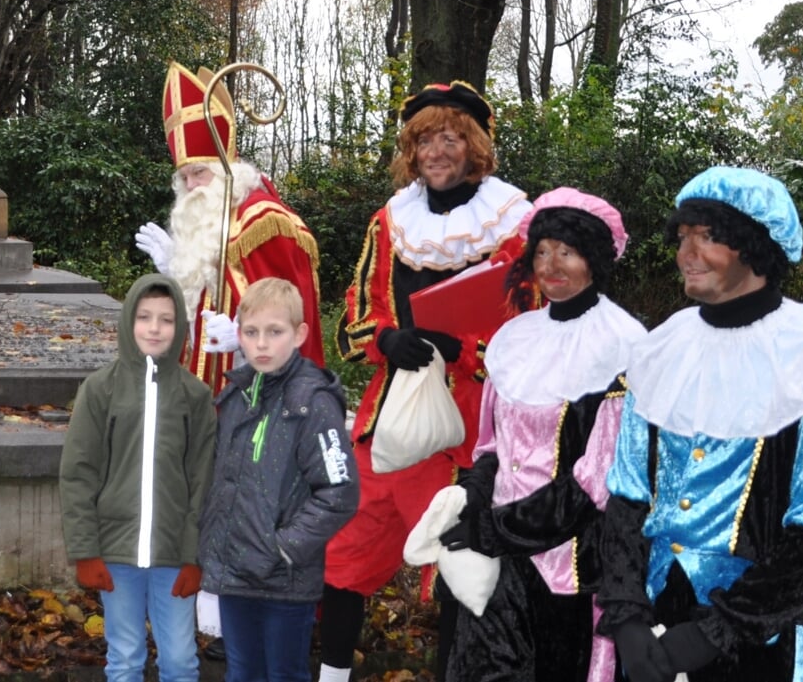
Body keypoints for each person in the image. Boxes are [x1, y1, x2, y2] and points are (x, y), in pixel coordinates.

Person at [597, 168, 803, 682]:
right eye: (683, 238)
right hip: (659, 613)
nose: (687, 253)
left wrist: (716, 632)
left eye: (707, 238)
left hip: (766, 632)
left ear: (753, 246)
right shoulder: (659, 349)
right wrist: (628, 613)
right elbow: (627, 497)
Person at [320, 82, 533, 682]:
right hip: (390, 421)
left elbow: (535, 332)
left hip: (473, 431)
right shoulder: (391, 220)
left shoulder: (515, 223)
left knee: (462, 573)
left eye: (449, 138)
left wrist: (463, 350)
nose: (435, 151)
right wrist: (386, 339)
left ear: (474, 148)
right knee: (346, 555)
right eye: (422, 141)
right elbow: (356, 316)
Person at [436, 189, 646, 682]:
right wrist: (471, 497)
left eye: (567, 252)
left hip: (570, 570)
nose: (551, 265)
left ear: (594, 260)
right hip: (498, 566)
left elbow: (595, 482)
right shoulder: (515, 337)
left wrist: (494, 531)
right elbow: (493, 447)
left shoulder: (623, 344)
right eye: (543, 250)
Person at [198, 278, 359, 682]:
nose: (262, 345)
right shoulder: (235, 398)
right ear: (239, 336)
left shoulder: (312, 403)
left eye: (275, 332)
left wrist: (285, 547)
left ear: (300, 334)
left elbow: (339, 491)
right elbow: (223, 482)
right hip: (236, 574)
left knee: (283, 674)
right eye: (251, 333)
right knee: (242, 672)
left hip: (284, 579)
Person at [61, 273, 218, 682]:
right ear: (128, 320)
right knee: (125, 658)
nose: (154, 328)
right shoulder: (100, 389)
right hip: (115, 553)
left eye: (166, 320)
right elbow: (78, 473)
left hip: (173, 554)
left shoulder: (195, 396)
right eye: (144, 317)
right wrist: (85, 550)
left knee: (181, 661)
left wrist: (194, 556)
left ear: (180, 327)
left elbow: (203, 480)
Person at [135, 61, 324, 392]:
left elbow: (291, 308)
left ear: (225, 171)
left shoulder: (264, 221)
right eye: (184, 177)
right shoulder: (200, 224)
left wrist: (242, 335)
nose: (192, 186)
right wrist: (173, 273)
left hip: (256, 389)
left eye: (200, 173)